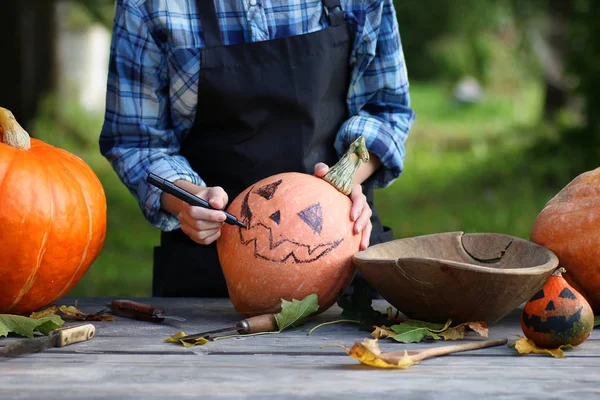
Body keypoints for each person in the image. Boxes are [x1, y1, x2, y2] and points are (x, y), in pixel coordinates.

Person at [99, 0, 416, 297]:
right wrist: (186, 199)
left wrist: (344, 181)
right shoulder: (148, 7)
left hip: (342, 257)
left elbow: (386, 109)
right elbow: (137, 142)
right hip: (211, 275)